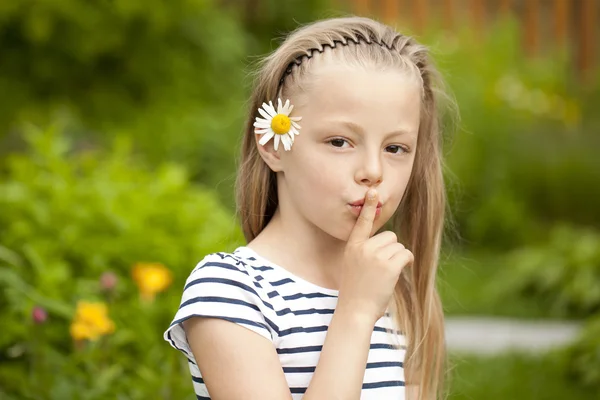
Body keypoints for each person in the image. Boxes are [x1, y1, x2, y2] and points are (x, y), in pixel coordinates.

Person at [164, 15, 452, 400]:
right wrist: (355, 313)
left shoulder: (391, 289)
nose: (373, 171)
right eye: (339, 141)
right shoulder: (232, 291)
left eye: (395, 148)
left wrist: (367, 301)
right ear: (273, 145)